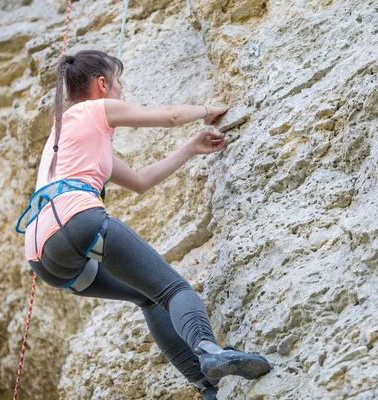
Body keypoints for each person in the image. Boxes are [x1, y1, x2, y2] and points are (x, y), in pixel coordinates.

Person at [17, 50, 271, 399]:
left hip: (43, 257)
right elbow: (171, 116)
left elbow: (140, 181)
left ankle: (205, 387)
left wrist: (190, 149)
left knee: (149, 298)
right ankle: (210, 352)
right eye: (118, 83)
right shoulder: (96, 109)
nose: (121, 91)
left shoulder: (65, 139)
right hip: (76, 219)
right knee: (173, 290)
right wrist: (208, 110)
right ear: (102, 84)